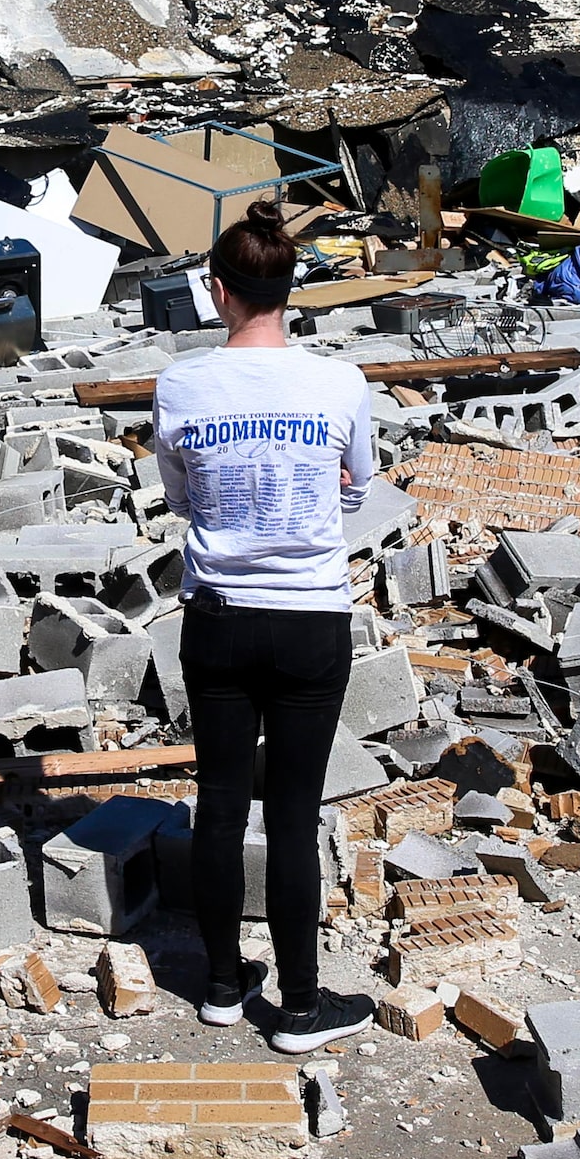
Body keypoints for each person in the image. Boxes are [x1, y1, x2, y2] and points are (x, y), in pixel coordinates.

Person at [152, 199, 376, 1054]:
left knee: (216, 802)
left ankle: (217, 984)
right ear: (292, 288)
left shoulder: (181, 383)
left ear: (218, 292)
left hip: (215, 616)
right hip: (309, 619)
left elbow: (178, 493)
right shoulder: (338, 380)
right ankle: (300, 1007)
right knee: (291, 812)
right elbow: (357, 480)